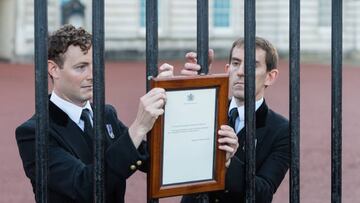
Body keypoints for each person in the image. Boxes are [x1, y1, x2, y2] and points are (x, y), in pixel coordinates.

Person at [15, 24, 238, 203]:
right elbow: (84, 188)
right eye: (81, 67)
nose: (92, 75)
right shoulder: (33, 132)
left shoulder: (105, 115)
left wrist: (182, 95)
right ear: (53, 69)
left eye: (94, 65)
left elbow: (155, 160)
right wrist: (139, 127)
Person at [163, 37, 290, 203]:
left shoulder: (281, 130)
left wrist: (229, 162)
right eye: (236, 63)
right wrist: (185, 91)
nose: (241, 71)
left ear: (270, 77)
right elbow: (169, 152)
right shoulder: (207, 107)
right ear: (227, 69)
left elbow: (263, 194)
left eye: (252, 65)